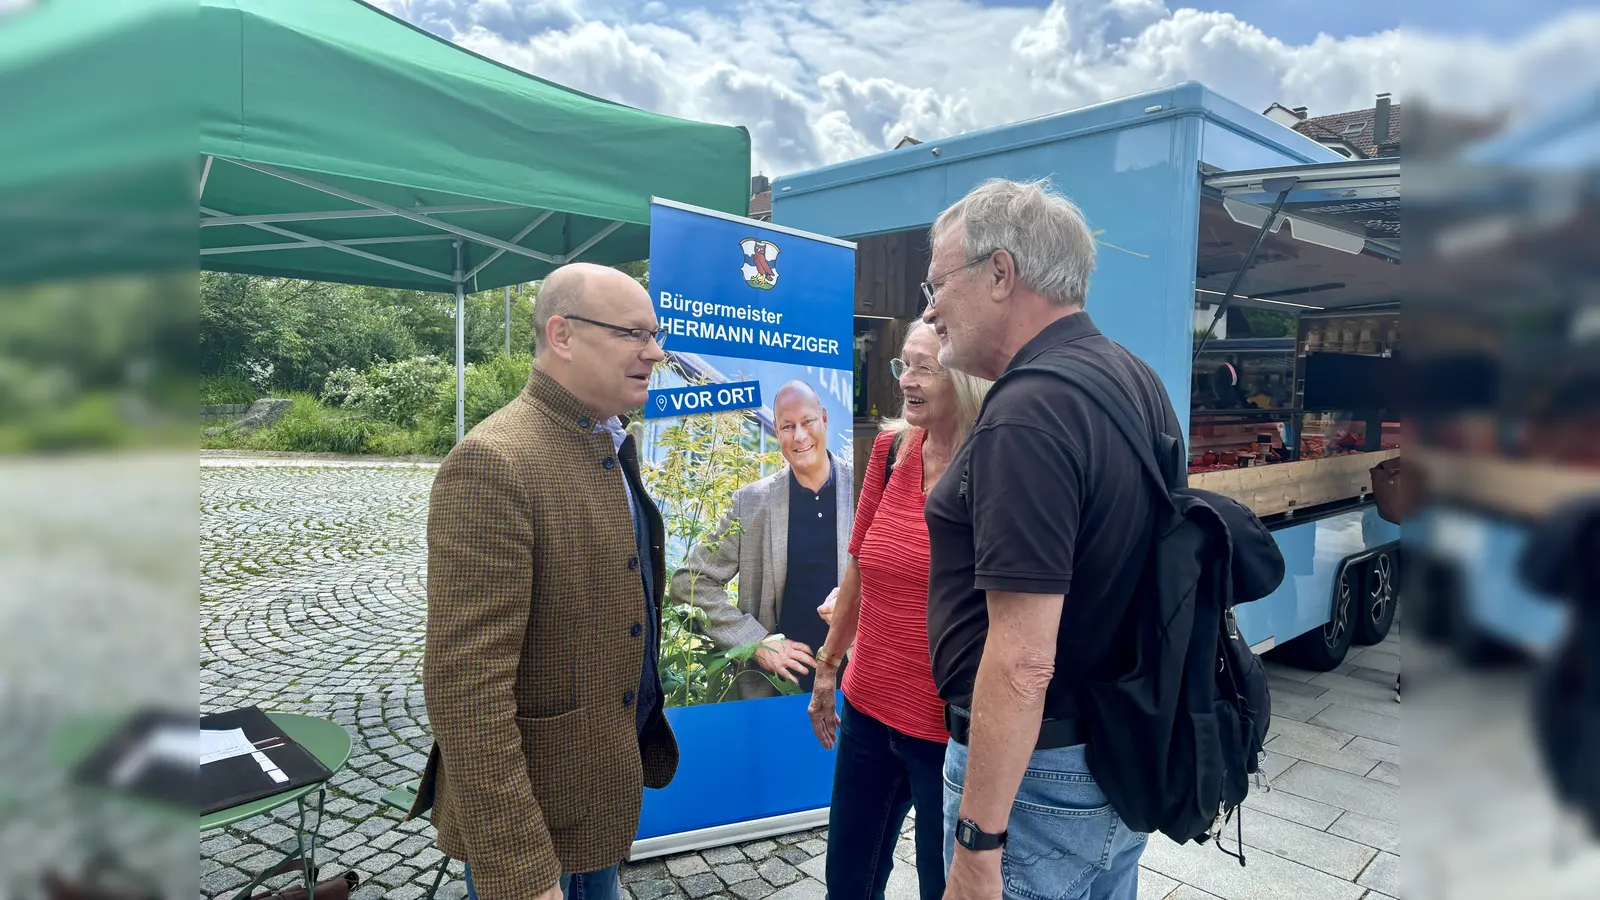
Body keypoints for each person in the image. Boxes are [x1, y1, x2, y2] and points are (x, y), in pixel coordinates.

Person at [919, 178, 1177, 900]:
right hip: (1112, 757)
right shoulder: (1133, 378)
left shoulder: (1028, 410)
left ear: (1000, 273)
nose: (931, 307)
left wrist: (977, 847)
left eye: (938, 283)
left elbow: (1023, 659)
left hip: (1031, 783)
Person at [407, 263, 676, 900]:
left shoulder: (601, 438)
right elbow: (466, 688)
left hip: (597, 804)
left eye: (655, 334)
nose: (655, 353)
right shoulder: (494, 462)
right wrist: (522, 873)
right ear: (562, 335)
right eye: (634, 334)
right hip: (535, 825)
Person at [807, 320, 992, 900]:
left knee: (943, 886)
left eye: (922, 368)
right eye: (901, 366)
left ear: (962, 379)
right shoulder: (889, 451)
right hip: (867, 709)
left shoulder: (994, 466)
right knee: (849, 882)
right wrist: (827, 671)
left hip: (947, 730)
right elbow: (859, 567)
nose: (905, 381)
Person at [670, 380, 854, 699]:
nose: (799, 436)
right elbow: (689, 583)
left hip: (857, 683)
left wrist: (857, 608)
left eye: (807, 422)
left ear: (824, 418)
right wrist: (754, 641)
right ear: (776, 430)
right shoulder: (752, 502)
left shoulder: (866, 486)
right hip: (776, 689)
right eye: (787, 426)